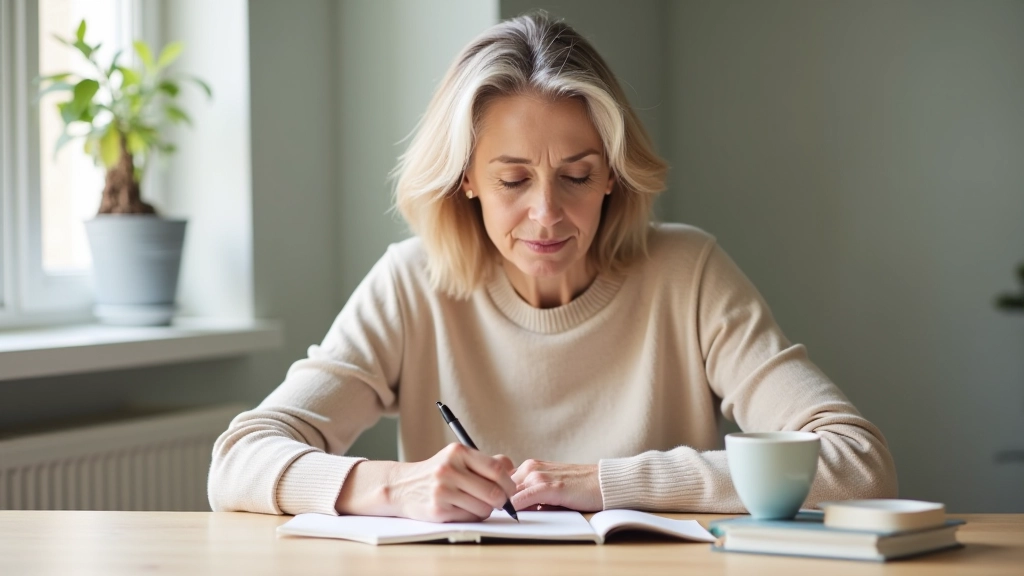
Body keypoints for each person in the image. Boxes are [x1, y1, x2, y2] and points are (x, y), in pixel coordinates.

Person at [208, 12, 897, 522]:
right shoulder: (411, 283)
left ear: (612, 179)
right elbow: (238, 461)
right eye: (512, 181)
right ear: (466, 181)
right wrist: (394, 487)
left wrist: (610, 483)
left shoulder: (688, 274)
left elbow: (858, 463)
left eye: (576, 175)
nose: (547, 214)